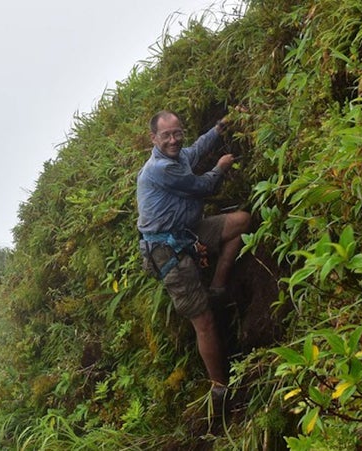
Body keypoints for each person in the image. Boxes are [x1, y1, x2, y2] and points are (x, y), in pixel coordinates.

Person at [136, 109, 250, 406]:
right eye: (166, 135)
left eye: (177, 133)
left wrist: (220, 127)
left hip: (189, 231)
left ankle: (218, 289)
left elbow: (195, 149)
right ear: (153, 138)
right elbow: (205, 186)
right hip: (166, 250)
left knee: (241, 222)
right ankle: (220, 389)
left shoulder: (177, 156)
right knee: (204, 322)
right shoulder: (160, 169)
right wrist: (221, 167)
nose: (174, 140)